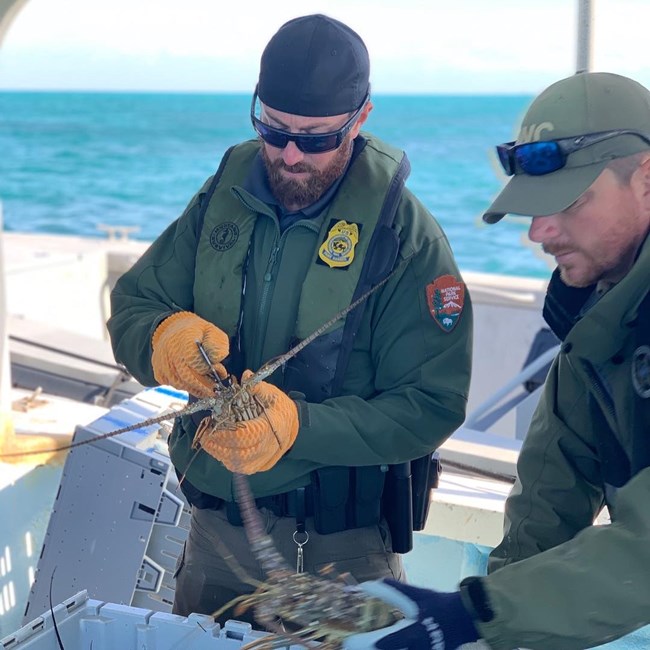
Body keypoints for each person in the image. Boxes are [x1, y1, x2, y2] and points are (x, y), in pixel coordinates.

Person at [106, 13, 472, 625]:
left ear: (360, 120)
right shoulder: (222, 194)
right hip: (215, 541)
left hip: (341, 553)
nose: (291, 153)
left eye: (317, 137)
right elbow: (135, 307)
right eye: (273, 130)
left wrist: (296, 427)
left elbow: (431, 406)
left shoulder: (407, 238)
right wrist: (162, 341)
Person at [342, 71, 650, 650]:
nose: (539, 231)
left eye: (568, 201)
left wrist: (476, 614)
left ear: (647, 180)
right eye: (533, 208)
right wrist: (490, 634)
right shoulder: (601, 320)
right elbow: (550, 494)